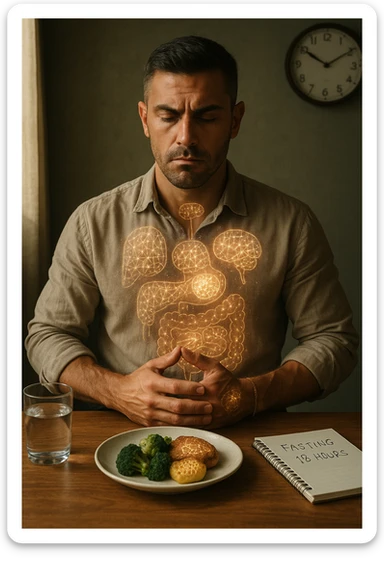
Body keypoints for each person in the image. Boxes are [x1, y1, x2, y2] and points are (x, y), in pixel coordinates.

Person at [25, 35, 359, 429]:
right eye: (168, 116)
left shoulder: (292, 223)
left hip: (252, 433)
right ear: (145, 119)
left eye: (206, 116)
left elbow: (333, 340)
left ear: (235, 121)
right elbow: (47, 334)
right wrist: (118, 391)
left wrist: (250, 395)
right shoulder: (92, 222)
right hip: (122, 435)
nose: (185, 137)